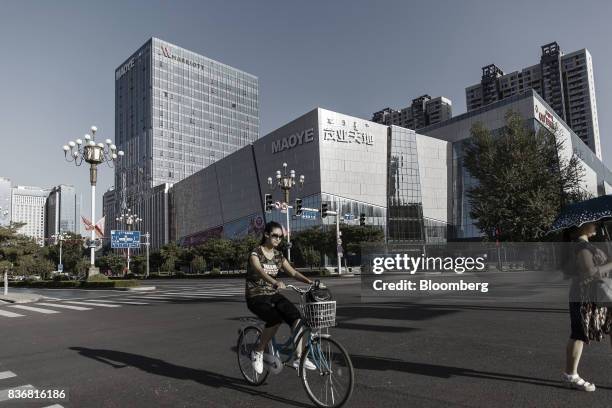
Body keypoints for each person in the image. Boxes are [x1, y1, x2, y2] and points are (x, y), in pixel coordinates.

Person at [245, 221, 316, 374]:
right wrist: (274, 281)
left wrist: (310, 282)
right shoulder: (255, 253)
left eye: (281, 237)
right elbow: (259, 271)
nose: (278, 239)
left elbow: (293, 272)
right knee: (275, 319)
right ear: (266, 234)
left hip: (272, 294)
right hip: (255, 296)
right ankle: (258, 351)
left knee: (296, 316)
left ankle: (299, 358)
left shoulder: (278, 255)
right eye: (275, 236)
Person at [563, 222, 612, 391]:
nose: (596, 226)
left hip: (598, 296)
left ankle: (571, 375)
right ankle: (571, 376)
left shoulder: (587, 245)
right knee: (579, 333)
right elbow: (591, 272)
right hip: (584, 297)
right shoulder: (581, 246)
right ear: (582, 226)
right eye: (593, 224)